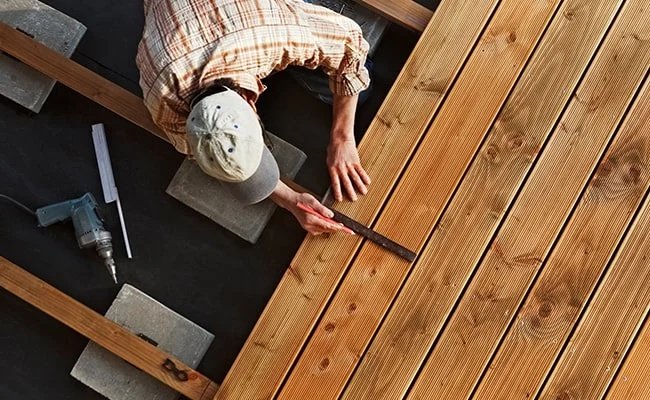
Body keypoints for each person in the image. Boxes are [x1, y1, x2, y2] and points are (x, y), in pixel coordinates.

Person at [137, 0, 372, 235]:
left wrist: (342, 138)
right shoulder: (160, 98)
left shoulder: (274, 35)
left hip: (246, 21)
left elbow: (350, 43)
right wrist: (291, 200)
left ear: (251, 101)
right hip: (178, 28)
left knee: (357, 86)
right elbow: (196, 150)